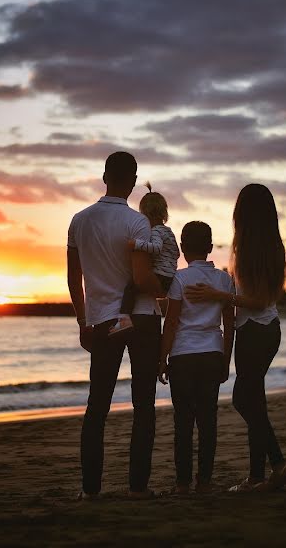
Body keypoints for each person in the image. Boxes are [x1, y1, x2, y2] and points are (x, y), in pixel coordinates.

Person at [184, 183, 286, 492]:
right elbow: (267, 298)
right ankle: (260, 476)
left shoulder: (249, 248)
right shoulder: (274, 246)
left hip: (255, 331)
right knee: (254, 401)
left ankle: (276, 465)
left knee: (244, 401)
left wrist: (218, 295)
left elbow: (257, 300)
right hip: (269, 329)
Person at [67, 152, 163, 500]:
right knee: (144, 405)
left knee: (97, 406)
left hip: (102, 321)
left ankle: (90, 490)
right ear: (133, 181)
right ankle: (138, 488)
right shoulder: (138, 224)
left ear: (104, 175)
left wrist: (82, 321)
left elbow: (73, 278)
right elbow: (140, 277)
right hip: (142, 319)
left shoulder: (79, 220)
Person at [157, 221, 234, 495]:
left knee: (183, 421)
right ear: (210, 248)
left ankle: (182, 483)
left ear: (182, 248)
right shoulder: (225, 280)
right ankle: (204, 482)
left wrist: (162, 357)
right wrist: (226, 360)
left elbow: (172, 321)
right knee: (208, 420)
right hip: (212, 353)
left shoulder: (179, 278)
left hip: (183, 355)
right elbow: (229, 323)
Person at [112, 183, 180, 335]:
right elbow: (176, 252)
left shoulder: (155, 231)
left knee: (130, 288)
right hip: (169, 277)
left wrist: (136, 244)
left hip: (160, 276)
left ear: (144, 213)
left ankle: (124, 318)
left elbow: (156, 248)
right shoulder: (168, 232)